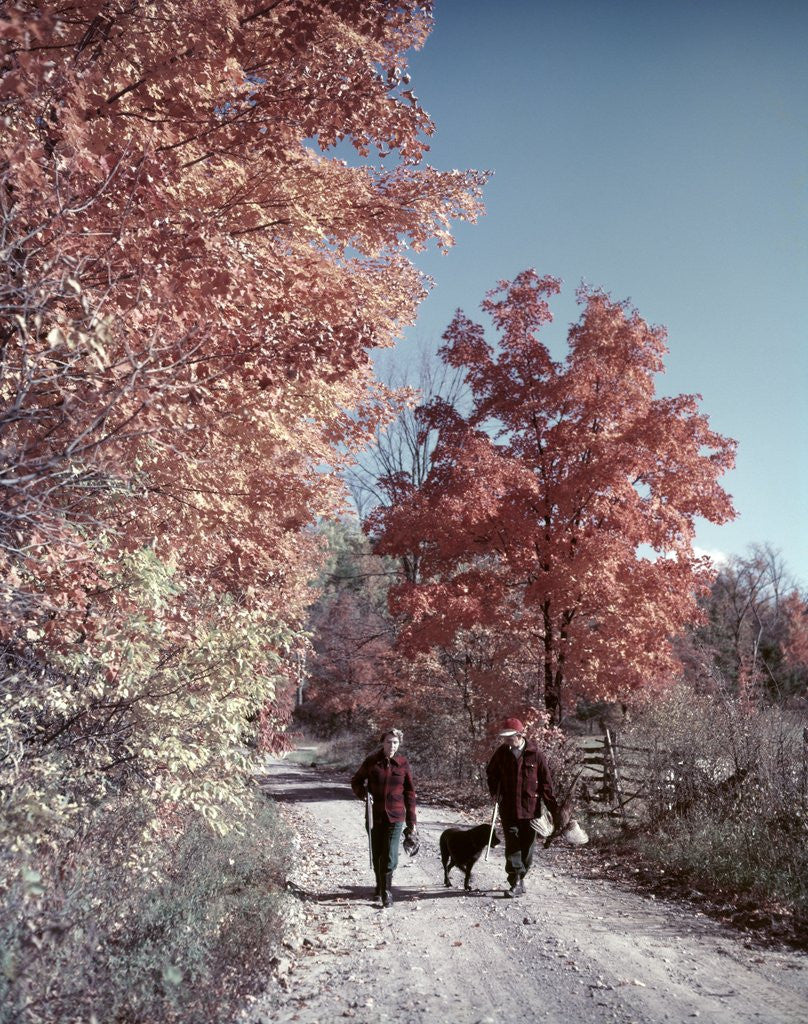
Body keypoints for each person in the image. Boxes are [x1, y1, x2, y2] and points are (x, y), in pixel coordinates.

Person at [486, 716, 560, 898]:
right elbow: (491, 773)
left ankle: (520, 877)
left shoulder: (536, 754)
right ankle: (516, 880)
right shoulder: (502, 753)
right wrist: (495, 792)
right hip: (508, 807)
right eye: (504, 737)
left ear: (519, 735)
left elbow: (546, 785)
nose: (506, 740)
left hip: (530, 809)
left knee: (527, 847)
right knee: (512, 843)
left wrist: (554, 810)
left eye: (509, 737)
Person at [350, 728, 417, 908]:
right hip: (375, 816)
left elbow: (410, 793)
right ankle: (379, 887)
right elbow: (356, 781)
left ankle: (386, 892)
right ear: (383, 742)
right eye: (388, 742)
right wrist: (364, 794)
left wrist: (412, 822)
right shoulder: (372, 761)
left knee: (390, 855)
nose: (392, 745)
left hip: (396, 817)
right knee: (378, 853)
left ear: (399, 744)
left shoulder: (403, 763)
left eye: (395, 742)